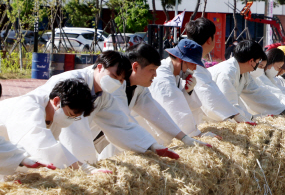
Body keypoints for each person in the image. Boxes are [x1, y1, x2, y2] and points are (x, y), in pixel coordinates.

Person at [30, 51, 179, 164]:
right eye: (114, 76)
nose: (117, 83)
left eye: (121, 80)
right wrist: (87, 166)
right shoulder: (75, 84)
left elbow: (120, 124)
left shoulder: (104, 94)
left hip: (55, 131)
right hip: (37, 124)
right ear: (100, 67)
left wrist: (151, 145)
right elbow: (76, 132)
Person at [98, 43, 212, 159]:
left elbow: (156, 113)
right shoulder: (116, 86)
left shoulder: (139, 87)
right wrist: (151, 145)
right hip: (94, 133)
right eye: (152, 70)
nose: (155, 74)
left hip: (105, 136)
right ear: (136, 67)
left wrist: (184, 137)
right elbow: (122, 121)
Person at [0, 79, 97, 176]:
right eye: (70, 114)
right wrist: (84, 169)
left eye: (74, 118)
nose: (70, 119)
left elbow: (49, 150)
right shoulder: (28, 108)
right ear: (56, 101)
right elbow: (43, 147)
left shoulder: (54, 117)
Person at [149, 39, 217, 144]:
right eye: (193, 64)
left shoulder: (173, 72)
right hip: (146, 131)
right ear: (181, 60)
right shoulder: (163, 76)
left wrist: (188, 92)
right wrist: (196, 135)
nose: (194, 69)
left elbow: (182, 103)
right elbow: (175, 107)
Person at [209, 40, 285, 120]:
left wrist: (284, 110)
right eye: (258, 62)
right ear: (251, 61)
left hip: (223, 117)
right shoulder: (227, 72)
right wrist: (248, 118)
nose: (258, 65)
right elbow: (228, 104)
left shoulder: (243, 73)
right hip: (208, 119)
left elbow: (257, 92)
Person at [183, 18, 242, 124]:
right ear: (209, 39)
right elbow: (210, 98)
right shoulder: (195, 65)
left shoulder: (190, 60)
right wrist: (236, 116)